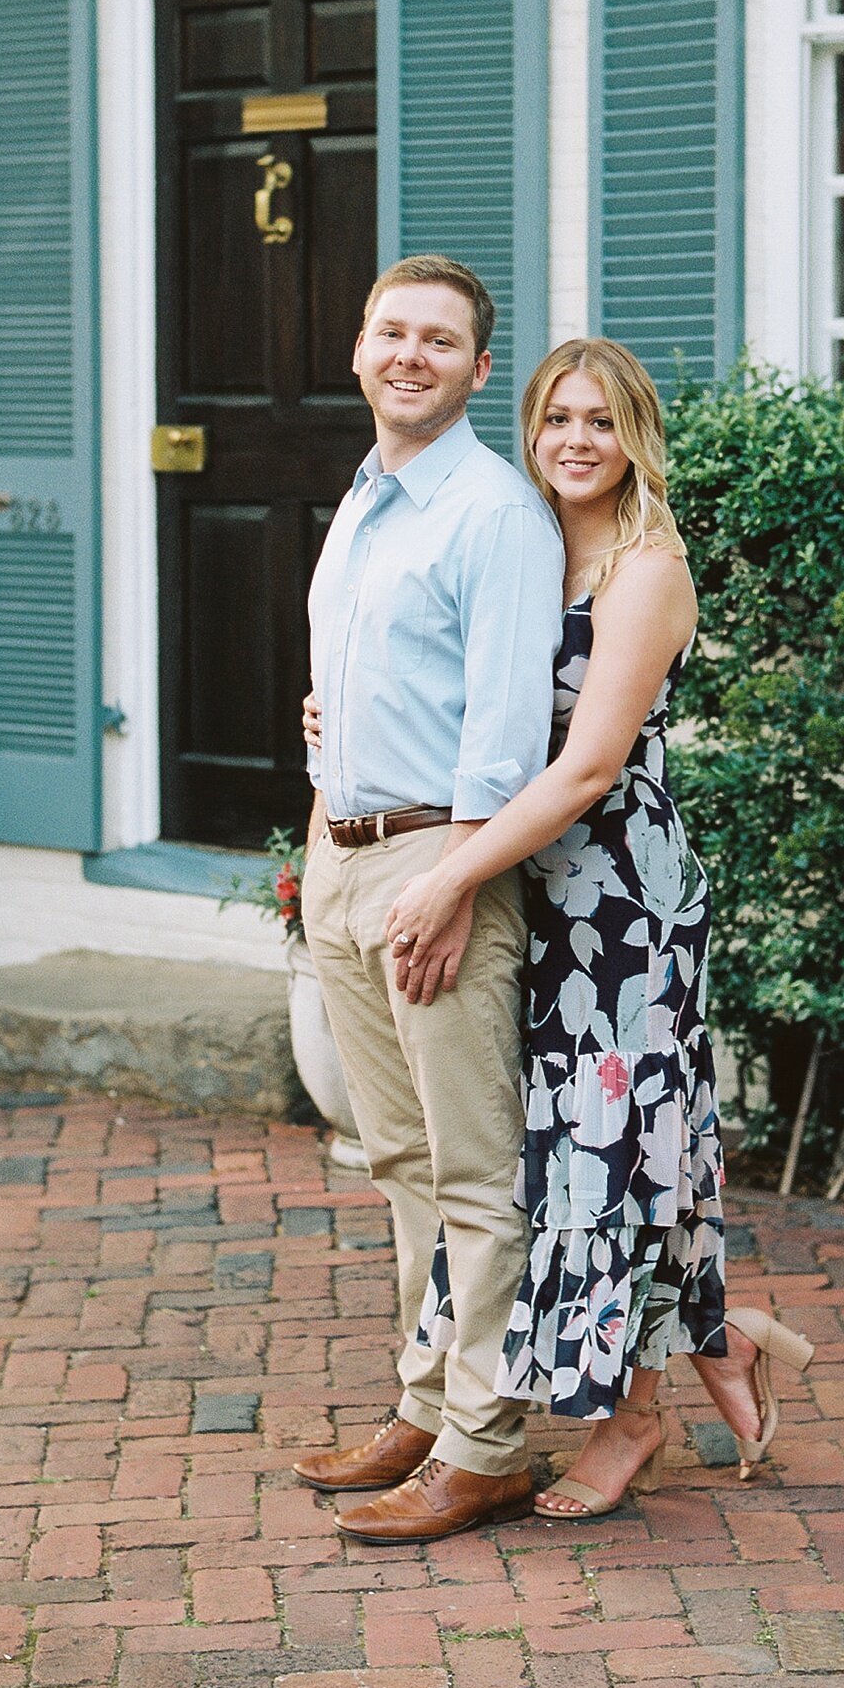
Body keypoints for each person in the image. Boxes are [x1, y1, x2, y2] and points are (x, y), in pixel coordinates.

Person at [382, 339, 814, 1519]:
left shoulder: (645, 568)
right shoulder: (525, 539)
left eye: (603, 421)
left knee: (606, 1152)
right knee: (555, 1147)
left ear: (637, 439)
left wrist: (449, 875)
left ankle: (635, 1419)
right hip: (526, 877)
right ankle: (720, 1335)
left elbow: (583, 772)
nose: (577, 439)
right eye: (556, 417)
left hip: (620, 895)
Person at [290, 255, 564, 1544]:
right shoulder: (366, 498)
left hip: (435, 864)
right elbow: (364, 682)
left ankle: (488, 1442)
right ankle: (425, 1400)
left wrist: (454, 884)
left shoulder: (493, 511)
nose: (412, 354)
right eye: (391, 331)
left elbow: (506, 732)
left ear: (474, 367)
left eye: (439, 340)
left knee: (470, 1167)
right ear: (359, 347)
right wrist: (319, 798)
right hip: (344, 853)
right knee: (398, 1158)